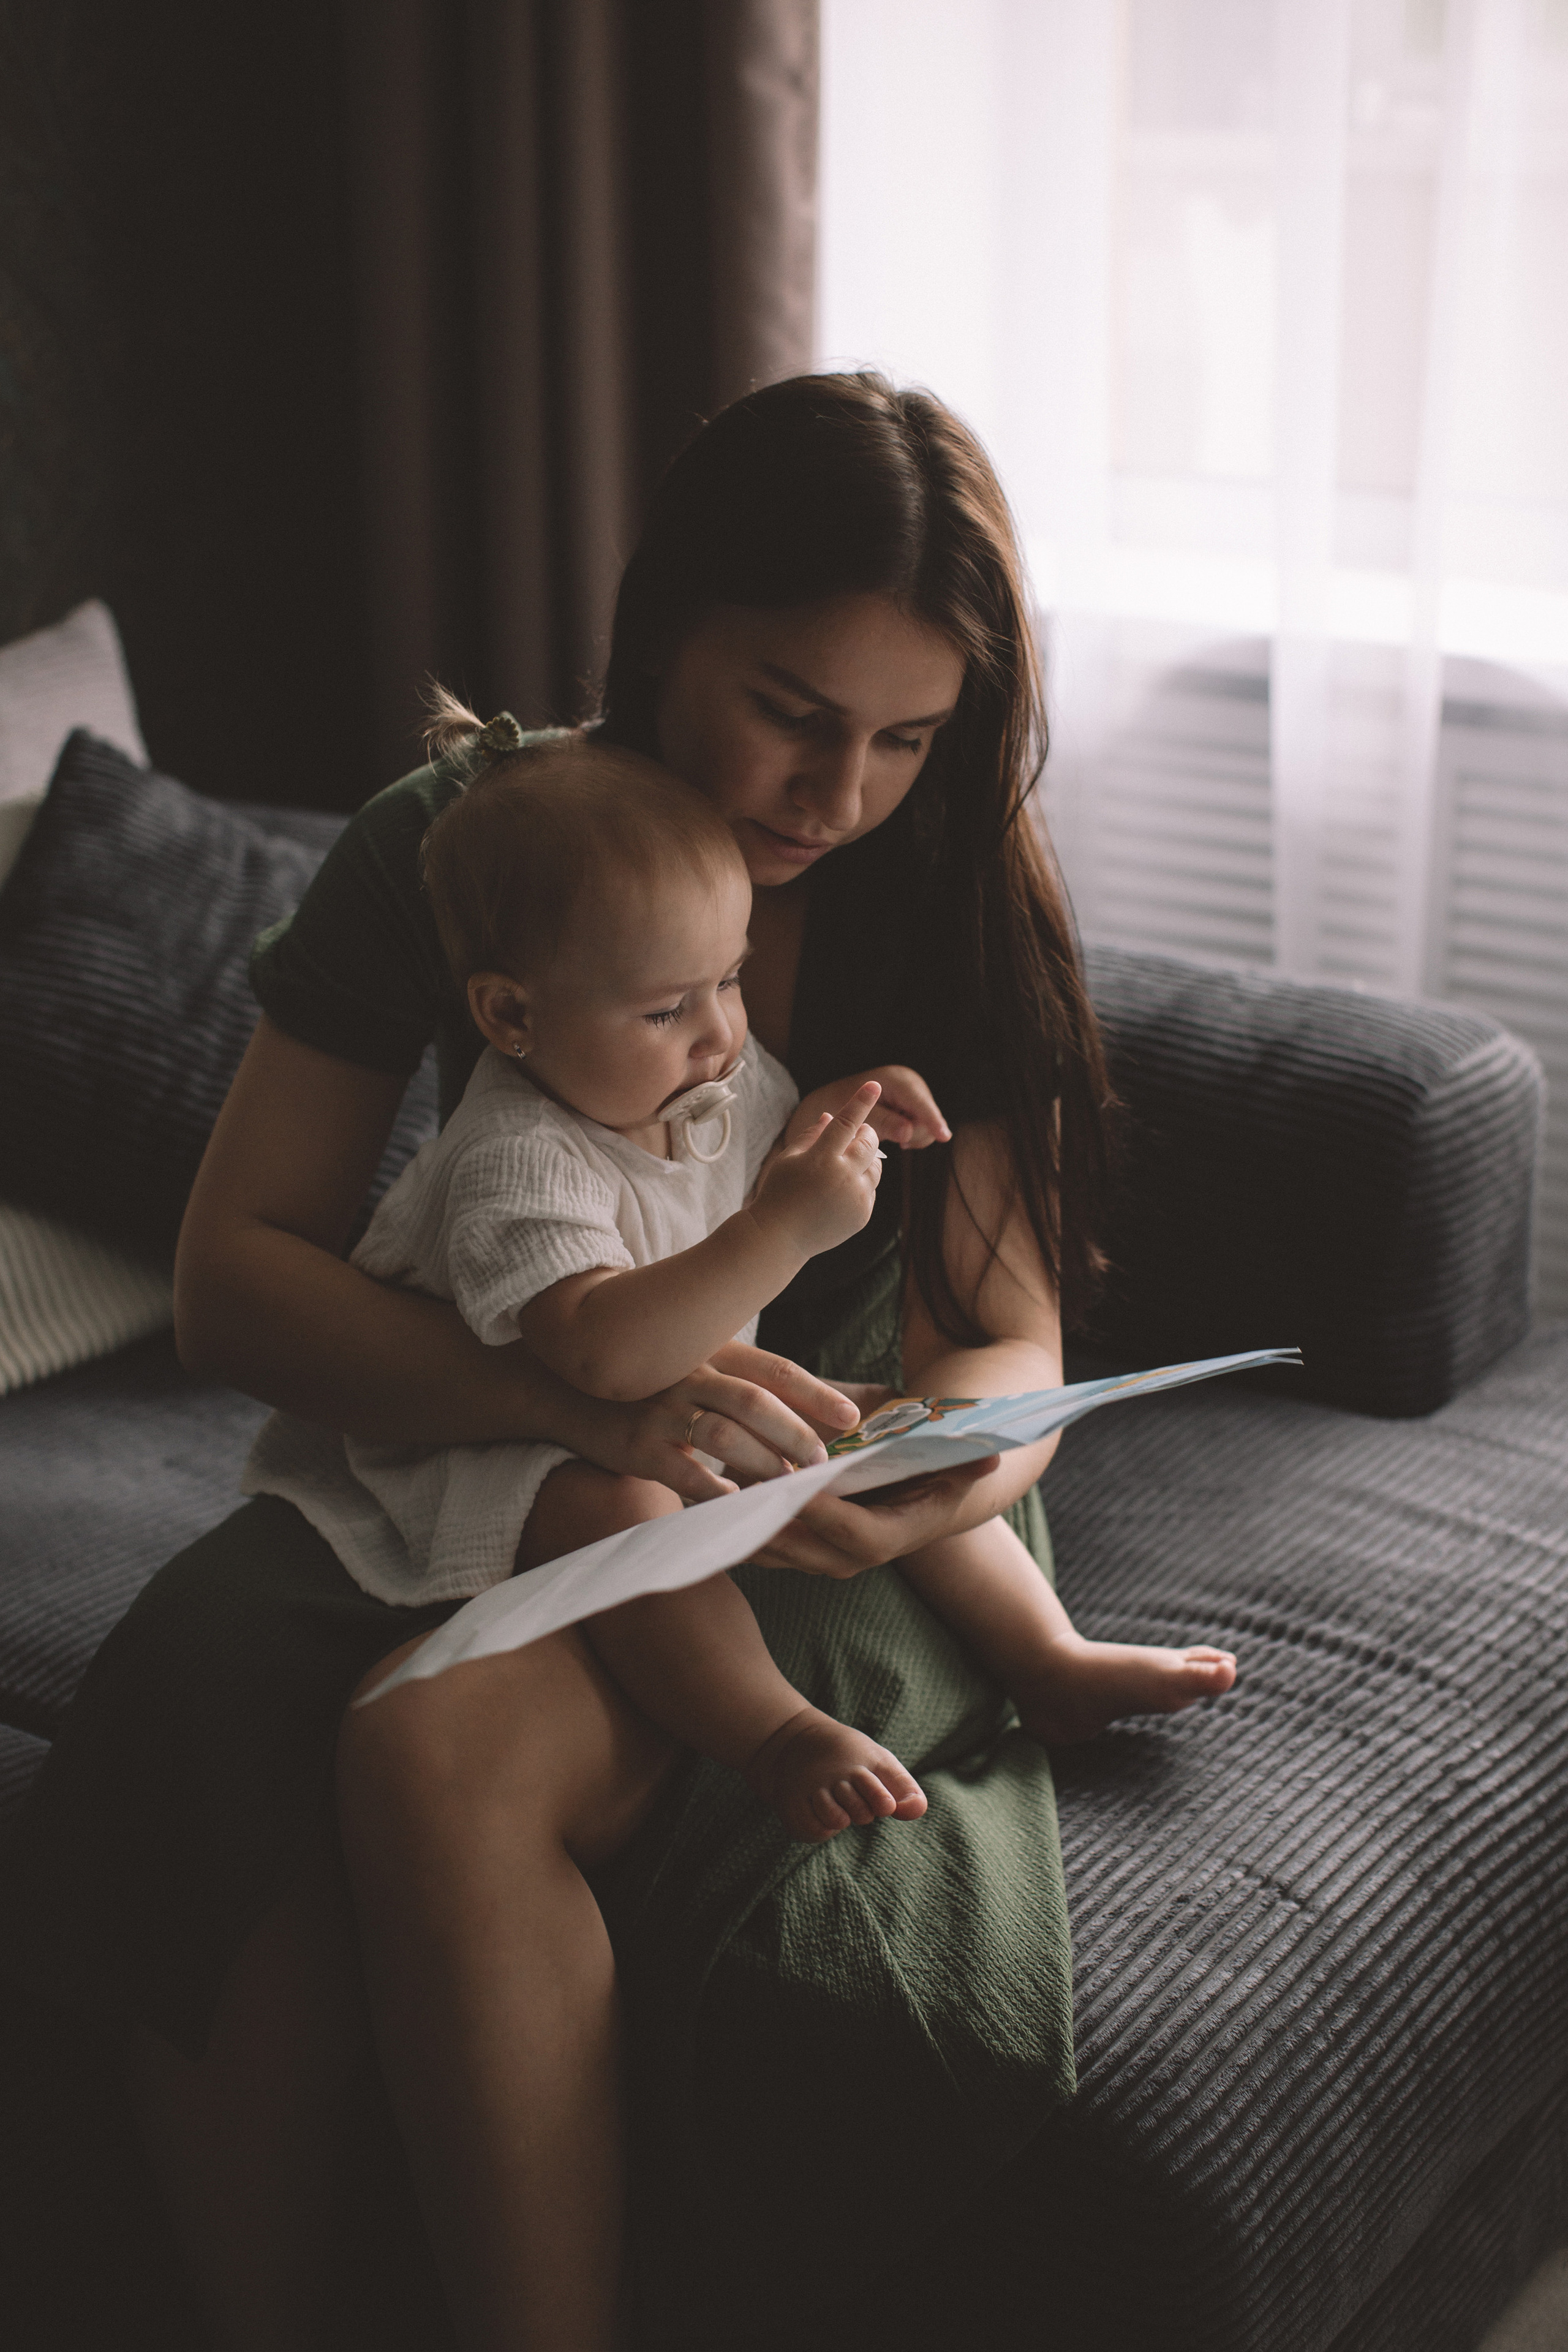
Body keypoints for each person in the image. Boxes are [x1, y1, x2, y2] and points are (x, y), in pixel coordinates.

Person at [0, 372, 1237, 2352]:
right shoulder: (484, 847)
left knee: (434, 1739)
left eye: (909, 738)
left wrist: (934, 1472)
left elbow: (1009, 1340)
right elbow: (239, 1286)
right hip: (490, 1430)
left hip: (807, 1497)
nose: (839, 798)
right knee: (189, 1714)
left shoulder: (952, 898)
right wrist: (589, 1401)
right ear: (661, 628)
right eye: (791, 712)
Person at [249, 711, 1233, 1845]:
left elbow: (760, 1146)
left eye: (732, 979)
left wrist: (844, 1110)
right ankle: (773, 1732)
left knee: (881, 1425)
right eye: (670, 1007)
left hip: (654, 1389)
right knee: (623, 1515)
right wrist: (783, 1229)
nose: (719, 1035)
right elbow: (601, 1352)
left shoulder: (693, 1063)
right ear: (512, 1014)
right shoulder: (514, 1158)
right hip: (476, 1435)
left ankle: (1046, 1660)